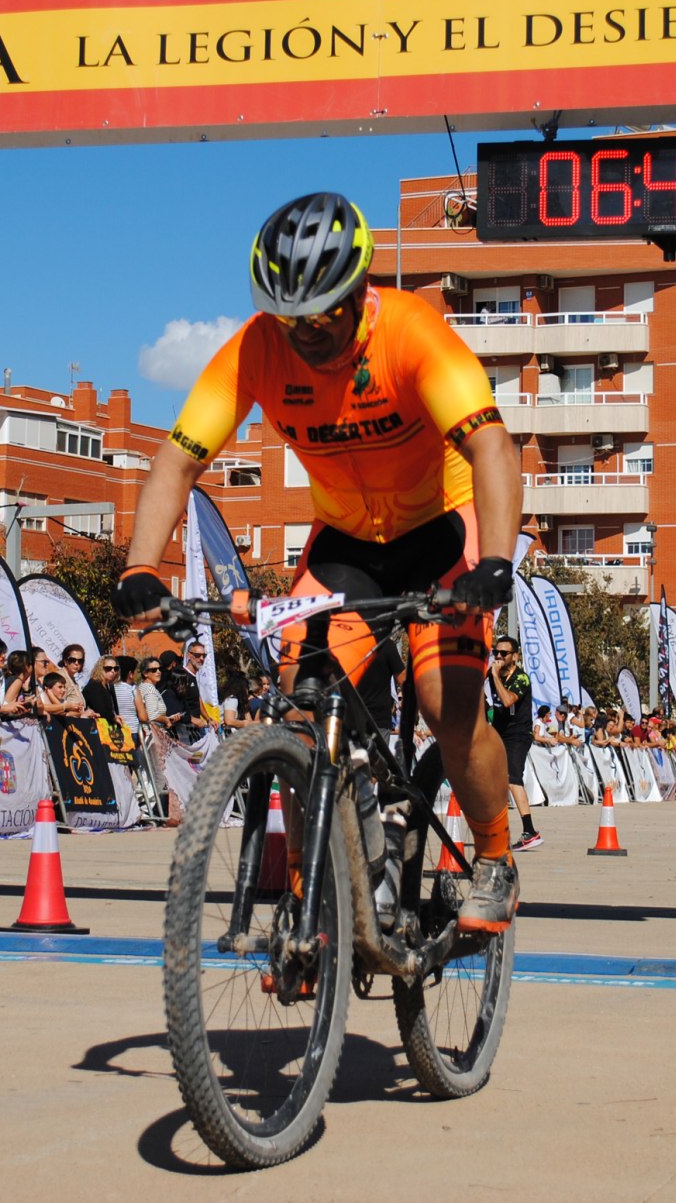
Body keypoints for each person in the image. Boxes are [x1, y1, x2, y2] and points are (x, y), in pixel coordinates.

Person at [113, 193, 523, 934]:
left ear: (359, 289)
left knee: (446, 702)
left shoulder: (411, 332)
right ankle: (311, 904)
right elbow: (177, 460)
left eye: (324, 314)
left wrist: (494, 561)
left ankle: (495, 857)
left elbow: (492, 444)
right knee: (300, 710)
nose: (307, 333)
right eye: (289, 317)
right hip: (348, 541)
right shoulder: (256, 349)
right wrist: (140, 567)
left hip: (441, 528)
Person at [486, 635, 538, 851]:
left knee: (513, 777)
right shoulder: (492, 674)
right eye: (496, 652)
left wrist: (494, 675)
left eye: (503, 653)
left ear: (514, 656)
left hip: (518, 734)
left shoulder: (521, 678)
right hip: (498, 732)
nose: (498, 656)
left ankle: (530, 831)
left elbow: (507, 700)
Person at [83, 654, 121, 721]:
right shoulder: (94, 685)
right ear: (100, 669)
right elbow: (101, 711)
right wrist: (114, 718)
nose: (113, 671)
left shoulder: (107, 685)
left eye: (115, 668)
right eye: (108, 668)